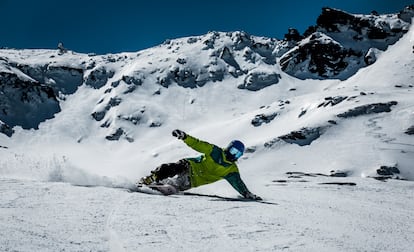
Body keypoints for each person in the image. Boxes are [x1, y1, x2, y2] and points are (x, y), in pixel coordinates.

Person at [139, 129, 262, 200]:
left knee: (177, 184)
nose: (234, 155)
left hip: (192, 181)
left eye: (237, 154)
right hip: (190, 166)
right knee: (170, 168)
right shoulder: (215, 151)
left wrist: (248, 194)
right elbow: (198, 144)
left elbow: (238, 184)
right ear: (229, 148)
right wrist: (185, 137)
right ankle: (150, 179)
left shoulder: (231, 170)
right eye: (233, 151)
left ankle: (165, 186)